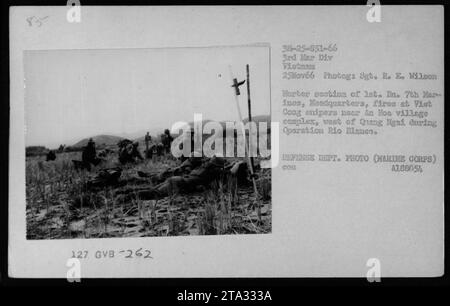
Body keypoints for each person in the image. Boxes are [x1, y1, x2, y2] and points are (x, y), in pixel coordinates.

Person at [116, 155, 249, 202]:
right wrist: (237, 164)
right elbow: (230, 174)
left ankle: (124, 193)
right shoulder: (214, 172)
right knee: (155, 194)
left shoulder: (203, 167)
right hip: (178, 184)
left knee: (152, 190)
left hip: (176, 179)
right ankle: (125, 197)